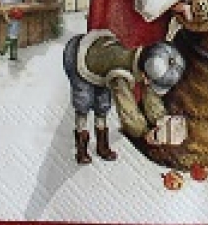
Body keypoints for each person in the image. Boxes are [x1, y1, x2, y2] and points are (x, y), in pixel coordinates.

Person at [63, 29, 186, 165]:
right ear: (145, 77)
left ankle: (101, 146)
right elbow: (127, 110)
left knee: (102, 105)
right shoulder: (121, 75)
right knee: (83, 103)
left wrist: (161, 119)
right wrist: (144, 132)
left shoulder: (146, 60)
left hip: (103, 61)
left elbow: (151, 95)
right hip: (78, 57)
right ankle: (81, 149)